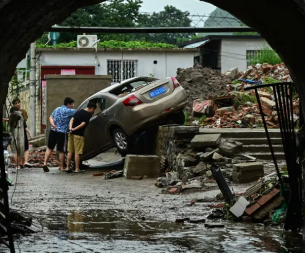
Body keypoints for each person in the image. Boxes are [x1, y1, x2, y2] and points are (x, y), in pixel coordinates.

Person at [43, 97, 76, 172]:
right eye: (72, 104)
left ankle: (44, 163)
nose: (73, 105)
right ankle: (61, 166)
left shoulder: (57, 109)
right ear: (68, 104)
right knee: (61, 150)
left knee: (49, 148)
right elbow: (80, 113)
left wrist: (53, 125)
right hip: (62, 132)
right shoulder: (70, 111)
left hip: (53, 130)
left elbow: (51, 117)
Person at [65, 101, 96, 173]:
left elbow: (72, 119)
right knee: (77, 152)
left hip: (70, 134)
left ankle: (67, 167)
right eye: (93, 109)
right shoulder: (87, 115)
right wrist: (75, 129)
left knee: (70, 151)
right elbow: (83, 124)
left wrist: (70, 128)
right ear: (91, 108)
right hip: (78, 135)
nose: (93, 111)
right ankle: (76, 169)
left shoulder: (79, 111)